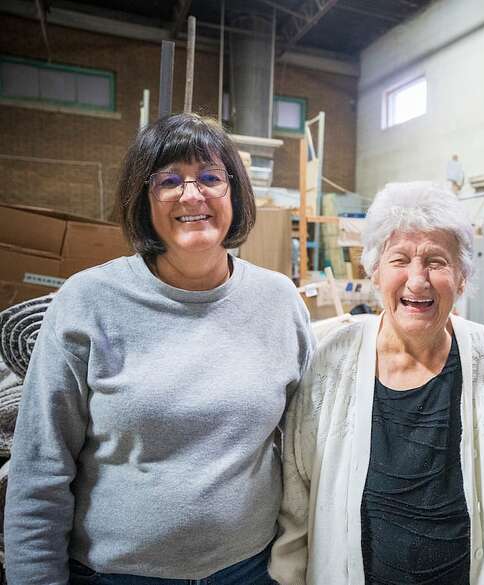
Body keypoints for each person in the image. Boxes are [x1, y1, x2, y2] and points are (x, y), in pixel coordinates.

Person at [4, 113, 314, 584]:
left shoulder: (278, 300)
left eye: (211, 177)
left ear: (234, 192)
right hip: (114, 574)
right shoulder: (89, 300)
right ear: (143, 201)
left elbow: (303, 447)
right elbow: (40, 467)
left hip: (249, 570)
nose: (194, 195)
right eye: (169, 182)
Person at [269, 182, 484, 585]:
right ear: (375, 271)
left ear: (462, 277)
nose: (417, 280)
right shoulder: (331, 360)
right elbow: (296, 504)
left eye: (436, 261)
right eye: (400, 260)